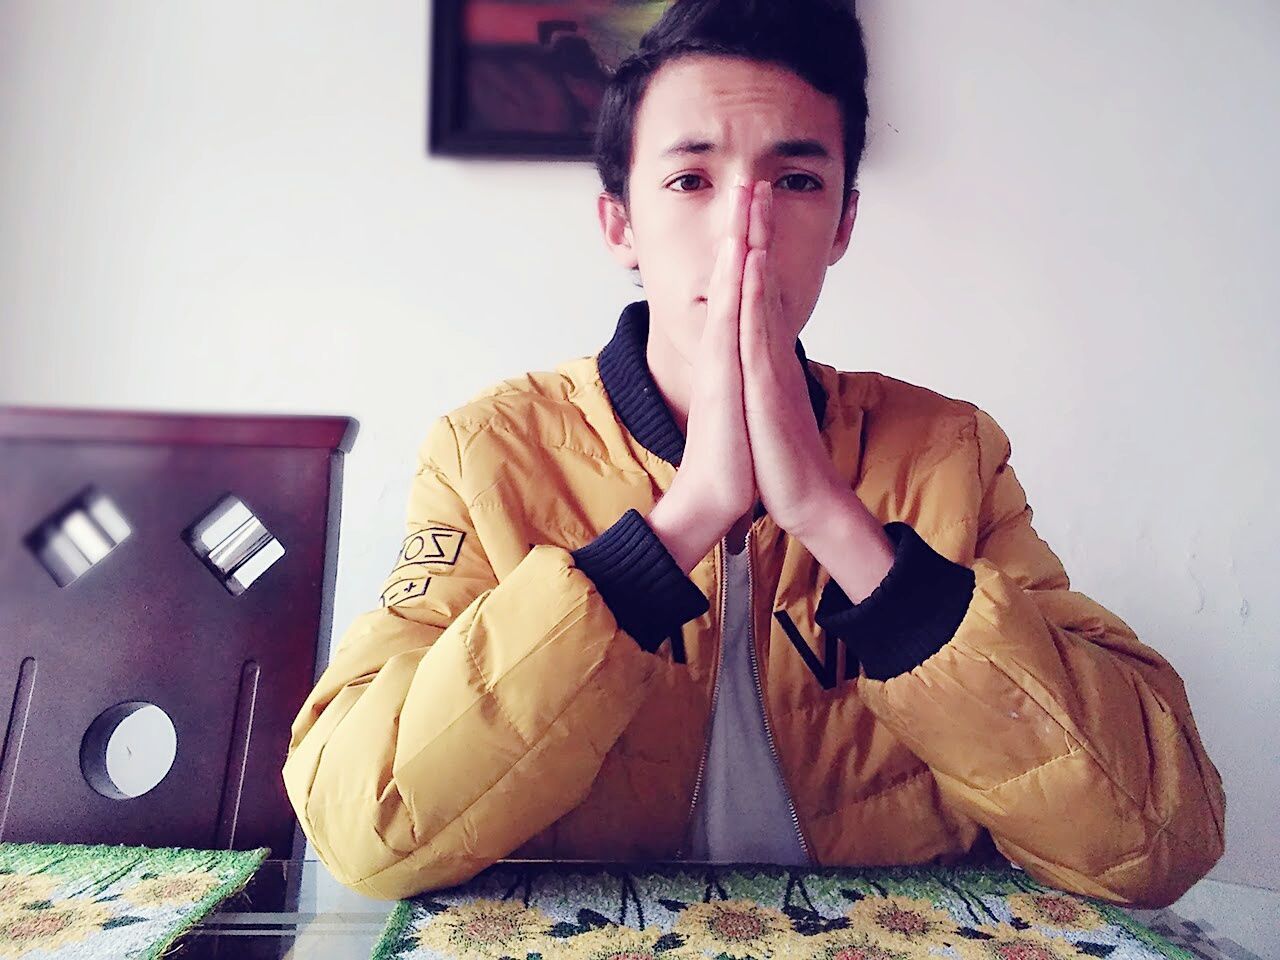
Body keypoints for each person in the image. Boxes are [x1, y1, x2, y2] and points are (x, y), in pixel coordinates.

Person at [283, 0, 1225, 906]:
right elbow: (364, 827)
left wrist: (831, 517)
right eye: (691, 181)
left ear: (843, 226)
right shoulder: (487, 452)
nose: (747, 229)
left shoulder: (950, 453)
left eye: (796, 181)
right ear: (620, 224)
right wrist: (677, 524)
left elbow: (1152, 840)